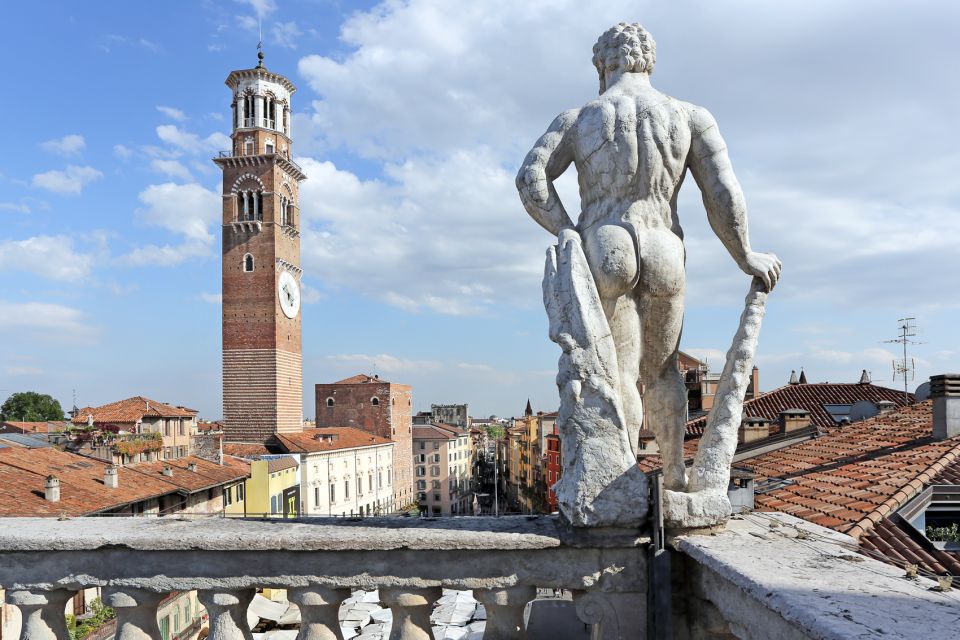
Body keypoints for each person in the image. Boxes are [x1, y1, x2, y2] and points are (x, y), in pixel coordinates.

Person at [517, 23, 781, 491]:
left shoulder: (579, 118)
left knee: (616, 371)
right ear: (649, 60)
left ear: (603, 63)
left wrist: (569, 234)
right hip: (663, 243)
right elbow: (723, 193)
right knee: (661, 371)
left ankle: (620, 478)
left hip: (605, 242)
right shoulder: (689, 116)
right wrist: (745, 256)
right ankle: (675, 472)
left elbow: (531, 178)